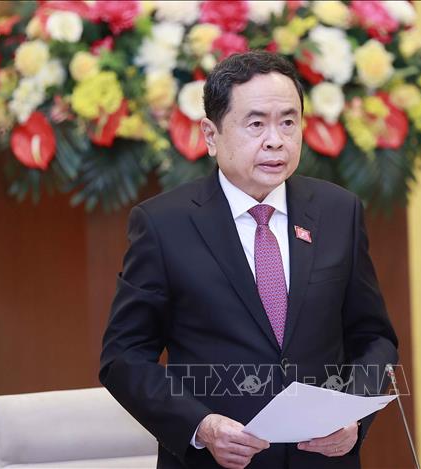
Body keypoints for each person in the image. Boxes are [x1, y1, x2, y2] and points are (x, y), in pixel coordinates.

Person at [99, 51, 398, 469]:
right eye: (256, 124)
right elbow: (125, 357)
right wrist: (200, 426)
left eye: (288, 122)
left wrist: (354, 416)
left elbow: (374, 338)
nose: (275, 140)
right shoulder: (164, 224)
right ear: (210, 135)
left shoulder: (338, 211)